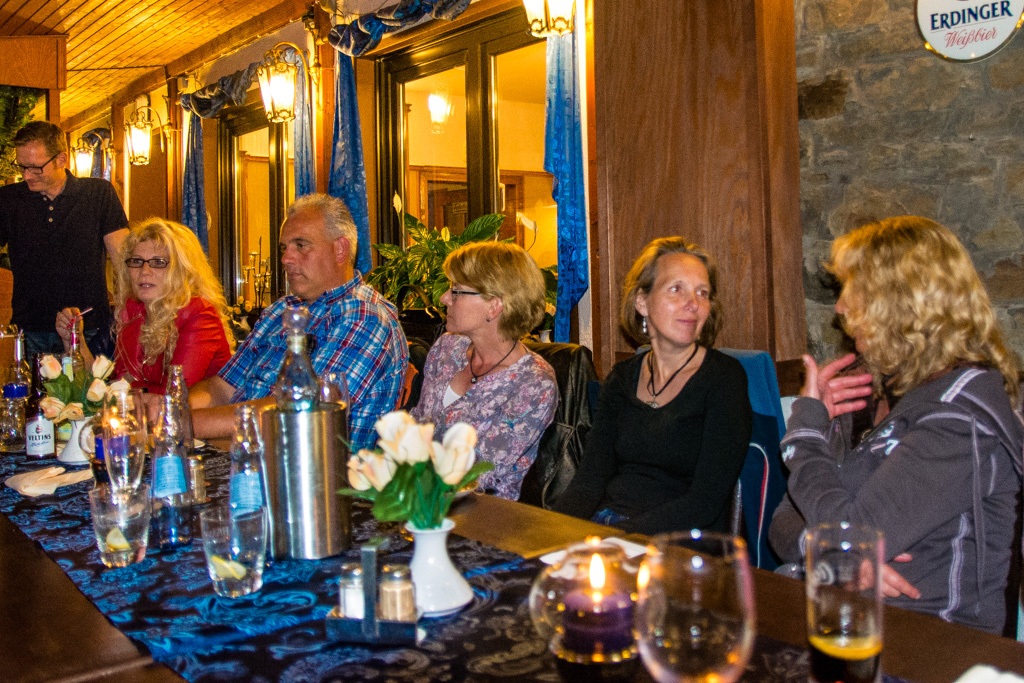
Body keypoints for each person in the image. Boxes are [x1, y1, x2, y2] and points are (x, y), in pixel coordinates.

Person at [768, 216, 1024, 634]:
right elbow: (785, 517)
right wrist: (830, 559)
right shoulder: (867, 390)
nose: (840, 307)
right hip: (845, 617)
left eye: (851, 288)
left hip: (931, 641)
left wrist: (805, 431)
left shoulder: (961, 417)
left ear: (898, 300)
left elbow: (851, 531)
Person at [554, 237, 752, 534]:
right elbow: (588, 482)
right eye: (676, 289)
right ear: (642, 302)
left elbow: (704, 503)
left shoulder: (724, 378)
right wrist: (549, 532)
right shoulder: (621, 378)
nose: (693, 304)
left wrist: (619, 539)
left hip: (679, 541)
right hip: (609, 525)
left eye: (703, 293)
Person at [186, 194, 407, 451]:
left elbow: (300, 413)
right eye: (284, 248)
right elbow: (222, 387)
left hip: (312, 469)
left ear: (340, 249)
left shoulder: (365, 318)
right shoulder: (280, 310)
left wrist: (184, 424)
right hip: (241, 456)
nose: (286, 259)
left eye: (301, 245)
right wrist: (171, 413)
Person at [411, 242, 557, 500]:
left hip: (482, 512)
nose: (444, 298)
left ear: (494, 306)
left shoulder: (534, 384)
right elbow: (418, 427)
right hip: (418, 497)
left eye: (455, 290)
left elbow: (480, 473)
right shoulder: (447, 349)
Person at [55, 218, 233, 393]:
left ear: (182, 269)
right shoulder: (131, 310)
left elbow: (175, 392)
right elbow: (95, 387)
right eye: (137, 261)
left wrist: (124, 387)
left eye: (158, 262)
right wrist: (74, 339)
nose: (144, 271)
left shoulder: (199, 314)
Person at [0, 121, 128, 357]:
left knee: (90, 382)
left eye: (35, 168)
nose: (26, 175)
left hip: (89, 327)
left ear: (61, 159)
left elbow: (124, 258)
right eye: (22, 166)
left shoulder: (98, 193)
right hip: (31, 330)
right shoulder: (8, 199)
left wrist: (126, 312)